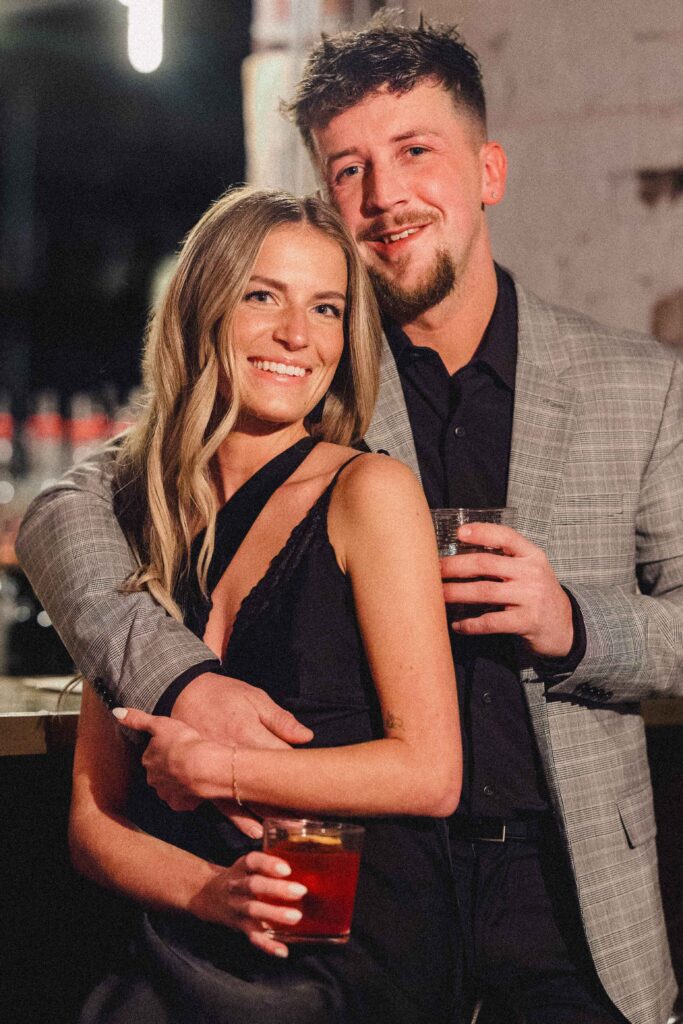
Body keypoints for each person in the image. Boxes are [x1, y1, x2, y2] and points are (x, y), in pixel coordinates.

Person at [17, 12, 682, 1024]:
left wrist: (575, 623)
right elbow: (73, 503)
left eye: (414, 151)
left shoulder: (638, 386)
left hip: (559, 893)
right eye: (347, 170)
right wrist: (180, 681)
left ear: (487, 169)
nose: (383, 197)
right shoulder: (302, 377)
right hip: (345, 886)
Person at [67, 185, 462, 1024]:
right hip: (190, 926)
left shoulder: (370, 492)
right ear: (203, 308)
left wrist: (226, 769)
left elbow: (431, 774)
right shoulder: (135, 517)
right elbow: (92, 820)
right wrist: (211, 892)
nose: (297, 336)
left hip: (343, 948)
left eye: (325, 308)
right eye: (262, 297)